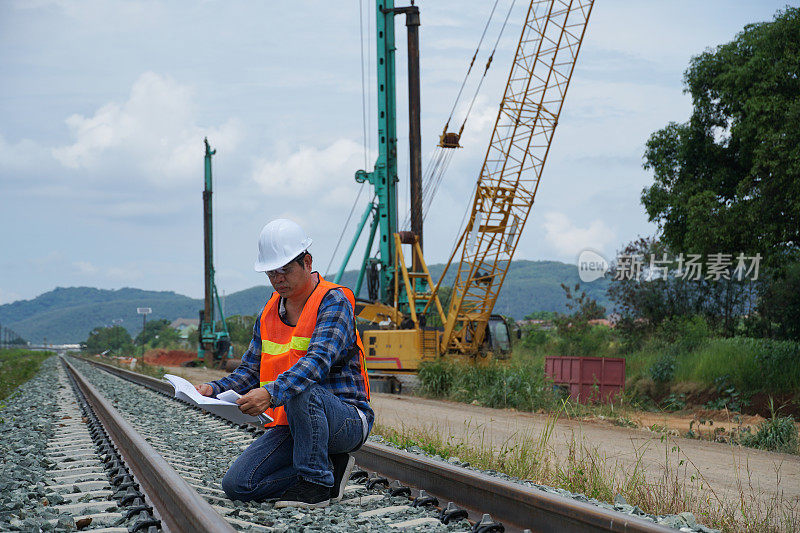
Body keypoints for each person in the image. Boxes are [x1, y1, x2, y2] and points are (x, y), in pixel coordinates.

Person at [195, 218, 372, 508]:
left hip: (346, 420)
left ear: (307, 261)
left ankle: (315, 485)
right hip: (296, 423)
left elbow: (316, 362)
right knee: (239, 484)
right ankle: (332, 470)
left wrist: (270, 394)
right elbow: (249, 372)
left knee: (303, 388)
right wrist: (211, 389)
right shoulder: (268, 313)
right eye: (271, 273)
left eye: (285, 270)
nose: (278, 279)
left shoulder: (334, 300)